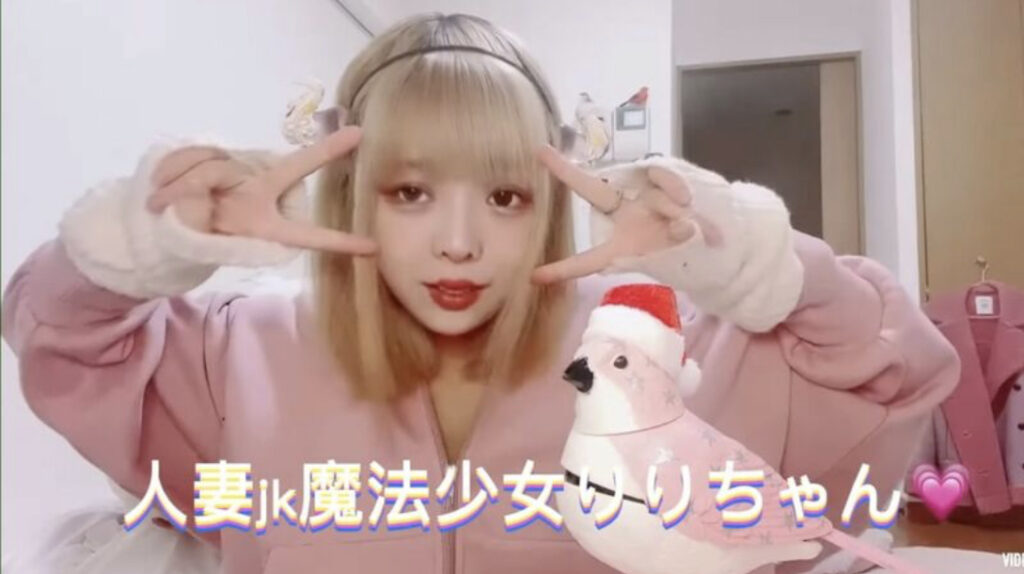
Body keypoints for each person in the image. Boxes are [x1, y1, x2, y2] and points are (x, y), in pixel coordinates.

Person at [2, 12, 959, 574]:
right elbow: (59, 336)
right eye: (410, 192)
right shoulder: (240, 349)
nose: (458, 242)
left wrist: (758, 260)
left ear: (546, 202)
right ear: (353, 190)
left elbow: (896, 371)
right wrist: (137, 245)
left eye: (504, 196)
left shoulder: (652, 353)